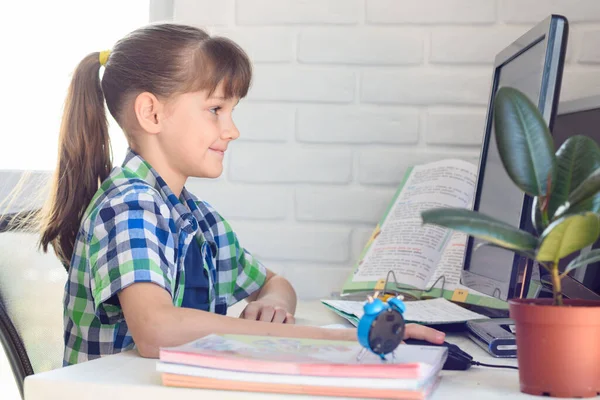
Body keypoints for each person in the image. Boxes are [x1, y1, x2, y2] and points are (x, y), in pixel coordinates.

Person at [34, 23, 445, 366]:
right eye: (216, 109)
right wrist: (323, 337)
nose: (232, 130)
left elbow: (275, 282)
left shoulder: (199, 220)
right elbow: (156, 330)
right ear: (152, 113)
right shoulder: (127, 206)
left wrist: (276, 305)